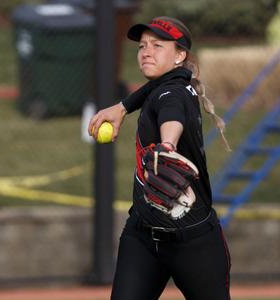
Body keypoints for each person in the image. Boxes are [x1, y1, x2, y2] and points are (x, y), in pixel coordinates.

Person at [88, 16, 231, 300]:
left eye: (157, 45)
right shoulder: (175, 81)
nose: (146, 52)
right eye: (142, 46)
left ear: (180, 55)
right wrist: (123, 106)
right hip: (142, 238)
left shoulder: (173, 94)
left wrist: (167, 145)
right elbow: (158, 88)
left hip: (193, 243)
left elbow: (172, 113)